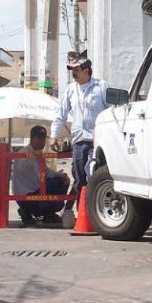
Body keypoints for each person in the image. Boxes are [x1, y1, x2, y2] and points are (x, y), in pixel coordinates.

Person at [49, 50, 111, 210]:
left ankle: (94, 211)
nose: (73, 74)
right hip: (78, 141)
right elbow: (60, 114)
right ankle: (76, 211)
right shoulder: (70, 90)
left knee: (95, 177)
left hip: (98, 141)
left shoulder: (101, 86)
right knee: (79, 178)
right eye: (72, 71)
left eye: (76, 70)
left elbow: (112, 110)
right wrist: (53, 136)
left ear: (86, 70)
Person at [13, 125, 71, 227]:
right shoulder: (24, 153)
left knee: (61, 180)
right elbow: (30, 171)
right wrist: (34, 157)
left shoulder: (38, 154)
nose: (42, 141)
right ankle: (40, 212)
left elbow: (47, 172)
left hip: (36, 191)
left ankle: (48, 213)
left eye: (44, 139)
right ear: (31, 139)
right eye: (39, 138)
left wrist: (61, 174)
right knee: (58, 192)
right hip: (28, 195)